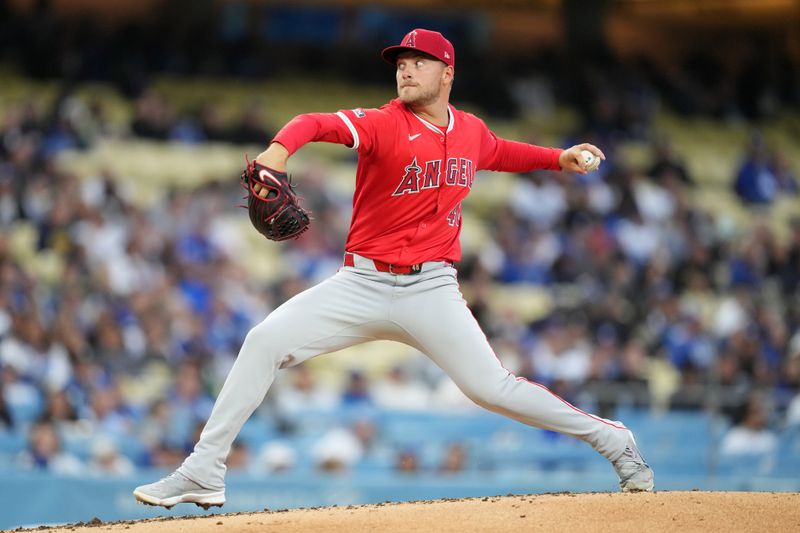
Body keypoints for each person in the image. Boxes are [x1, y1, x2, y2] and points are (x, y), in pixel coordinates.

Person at [134, 28, 654, 509]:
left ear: (447, 73)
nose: (405, 70)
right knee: (263, 340)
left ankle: (614, 439)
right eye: (401, 63)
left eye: (418, 62)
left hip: (432, 290)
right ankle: (204, 469)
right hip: (362, 282)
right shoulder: (384, 123)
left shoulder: (469, 131)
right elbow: (314, 123)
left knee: (490, 388)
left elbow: (502, 152)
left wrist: (557, 158)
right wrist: (277, 151)